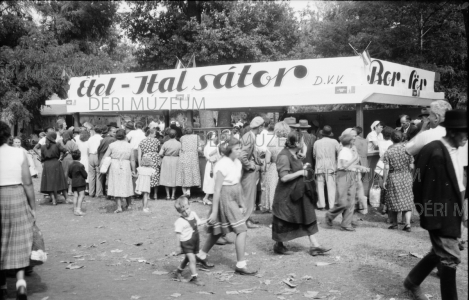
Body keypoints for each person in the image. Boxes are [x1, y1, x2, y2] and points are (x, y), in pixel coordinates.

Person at [404, 110, 467, 300]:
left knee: (438, 252)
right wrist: (430, 218)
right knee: (450, 257)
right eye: (465, 133)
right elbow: (419, 184)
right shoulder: (434, 151)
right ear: (454, 132)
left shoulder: (456, 149)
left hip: (452, 211)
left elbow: (458, 182)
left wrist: (462, 213)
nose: (467, 137)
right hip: (439, 215)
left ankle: (412, 282)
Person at [197, 137, 258, 275]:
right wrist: (214, 211)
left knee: (216, 230)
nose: (240, 151)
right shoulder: (221, 164)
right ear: (229, 150)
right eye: (237, 149)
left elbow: (237, 183)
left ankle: (201, 255)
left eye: (240, 148)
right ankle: (241, 265)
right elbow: (217, 189)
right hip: (224, 197)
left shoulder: (237, 162)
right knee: (241, 229)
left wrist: (242, 203)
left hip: (234, 196)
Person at [271, 131, 331, 256]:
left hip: (297, 192)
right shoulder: (284, 156)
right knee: (283, 218)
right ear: (296, 143)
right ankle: (279, 245)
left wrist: (300, 159)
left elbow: (299, 157)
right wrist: (301, 172)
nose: (304, 142)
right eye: (302, 141)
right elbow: (284, 177)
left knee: (306, 215)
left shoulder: (293, 154)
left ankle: (315, 246)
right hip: (286, 195)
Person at [0, 121, 36, 300]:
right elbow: (28, 182)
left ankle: (2, 285)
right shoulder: (19, 152)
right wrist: (32, 206)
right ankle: (21, 283)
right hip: (16, 194)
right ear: (7, 136)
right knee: (19, 237)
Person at [326, 134, 368, 231]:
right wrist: (354, 159)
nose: (354, 141)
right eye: (353, 140)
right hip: (343, 175)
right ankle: (330, 215)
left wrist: (360, 167)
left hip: (350, 174)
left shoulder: (348, 151)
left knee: (351, 200)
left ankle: (346, 223)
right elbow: (345, 165)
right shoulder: (344, 151)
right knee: (342, 200)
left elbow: (350, 165)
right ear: (349, 142)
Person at [382, 131, 414, 232]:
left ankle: (395, 224)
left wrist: (384, 180)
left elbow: (386, 168)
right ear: (402, 138)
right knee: (407, 200)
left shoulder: (388, 152)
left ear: (392, 139)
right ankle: (407, 224)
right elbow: (412, 166)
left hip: (393, 176)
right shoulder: (408, 150)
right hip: (406, 176)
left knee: (393, 200)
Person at [173, 196, 206, 286]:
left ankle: (178, 272)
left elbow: (198, 222)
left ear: (189, 205)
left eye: (187, 208)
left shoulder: (193, 214)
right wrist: (178, 246)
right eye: (183, 211)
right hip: (186, 243)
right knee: (192, 259)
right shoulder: (180, 221)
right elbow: (177, 234)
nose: (186, 212)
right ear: (179, 212)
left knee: (187, 258)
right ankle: (195, 278)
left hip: (194, 241)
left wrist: (207, 221)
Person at [239, 116, 265, 229]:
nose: (263, 129)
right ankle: (245, 221)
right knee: (248, 197)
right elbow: (242, 155)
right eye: (262, 127)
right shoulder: (250, 137)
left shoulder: (250, 136)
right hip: (248, 173)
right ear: (259, 127)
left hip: (248, 172)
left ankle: (247, 218)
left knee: (249, 196)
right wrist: (250, 166)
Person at [102, 129, 136, 213]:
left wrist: (103, 165)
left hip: (115, 165)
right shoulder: (130, 146)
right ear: (125, 136)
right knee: (127, 183)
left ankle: (119, 206)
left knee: (116, 184)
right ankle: (128, 204)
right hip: (125, 165)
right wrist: (133, 170)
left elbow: (105, 157)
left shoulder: (112, 145)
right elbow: (132, 160)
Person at [263, 122, 290, 212]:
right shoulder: (290, 142)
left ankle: (273, 208)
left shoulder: (272, 143)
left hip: (274, 168)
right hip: (287, 167)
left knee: (273, 189)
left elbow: (267, 160)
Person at [313, 125, 339, 210]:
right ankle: (332, 205)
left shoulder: (317, 142)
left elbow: (314, 155)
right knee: (331, 187)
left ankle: (322, 205)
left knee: (320, 186)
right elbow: (339, 152)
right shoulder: (334, 142)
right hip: (331, 166)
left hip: (319, 166)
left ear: (322, 133)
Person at [40, 132, 69, 205]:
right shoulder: (57, 145)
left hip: (47, 165)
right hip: (56, 163)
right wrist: (61, 158)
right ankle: (67, 198)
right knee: (61, 181)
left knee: (49, 182)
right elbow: (67, 152)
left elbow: (42, 158)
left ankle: (53, 200)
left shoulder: (43, 147)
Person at [176, 127, 201, 197]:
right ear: (192, 131)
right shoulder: (196, 137)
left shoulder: (182, 138)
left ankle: (185, 192)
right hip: (193, 157)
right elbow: (200, 148)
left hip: (184, 156)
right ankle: (188, 190)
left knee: (184, 173)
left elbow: (180, 147)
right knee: (190, 173)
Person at [138, 128, 161, 200]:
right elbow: (159, 151)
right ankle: (155, 194)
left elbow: (139, 155)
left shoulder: (142, 141)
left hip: (146, 157)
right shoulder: (157, 140)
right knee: (155, 175)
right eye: (154, 133)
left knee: (147, 176)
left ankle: (147, 194)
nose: (155, 135)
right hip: (155, 157)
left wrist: (139, 164)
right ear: (150, 133)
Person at [159, 129, 181, 200]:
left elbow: (160, 153)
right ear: (176, 135)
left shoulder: (166, 143)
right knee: (174, 177)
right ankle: (173, 195)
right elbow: (181, 153)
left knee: (167, 177)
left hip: (167, 160)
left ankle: (168, 195)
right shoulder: (179, 143)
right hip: (175, 159)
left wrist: (164, 156)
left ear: (168, 135)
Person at [68, 150, 87, 216]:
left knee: (75, 195)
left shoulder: (70, 165)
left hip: (74, 182)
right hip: (80, 182)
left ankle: (75, 209)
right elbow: (85, 175)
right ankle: (78, 209)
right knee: (81, 195)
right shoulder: (81, 165)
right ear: (80, 157)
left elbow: (69, 174)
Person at [59, 130, 79, 196]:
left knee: (63, 174)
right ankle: (70, 190)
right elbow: (76, 151)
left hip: (62, 158)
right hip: (70, 158)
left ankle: (63, 190)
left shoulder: (59, 142)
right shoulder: (72, 142)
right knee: (70, 175)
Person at [202, 131, 220, 205]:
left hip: (209, 164)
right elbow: (213, 156)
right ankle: (206, 198)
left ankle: (208, 198)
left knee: (211, 181)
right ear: (213, 137)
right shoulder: (213, 146)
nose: (216, 138)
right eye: (216, 137)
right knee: (211, 181)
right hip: (212, 164)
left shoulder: (207, 145)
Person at [88, 125, 103, 198]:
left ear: (94, 131)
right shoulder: (101, 139)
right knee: (99, 175)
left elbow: (88, 148)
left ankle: (91, 192)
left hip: (91, 155)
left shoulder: (90, 138)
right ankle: (98, 193)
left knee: (91, 175)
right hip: (97, 156)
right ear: (101, 132)